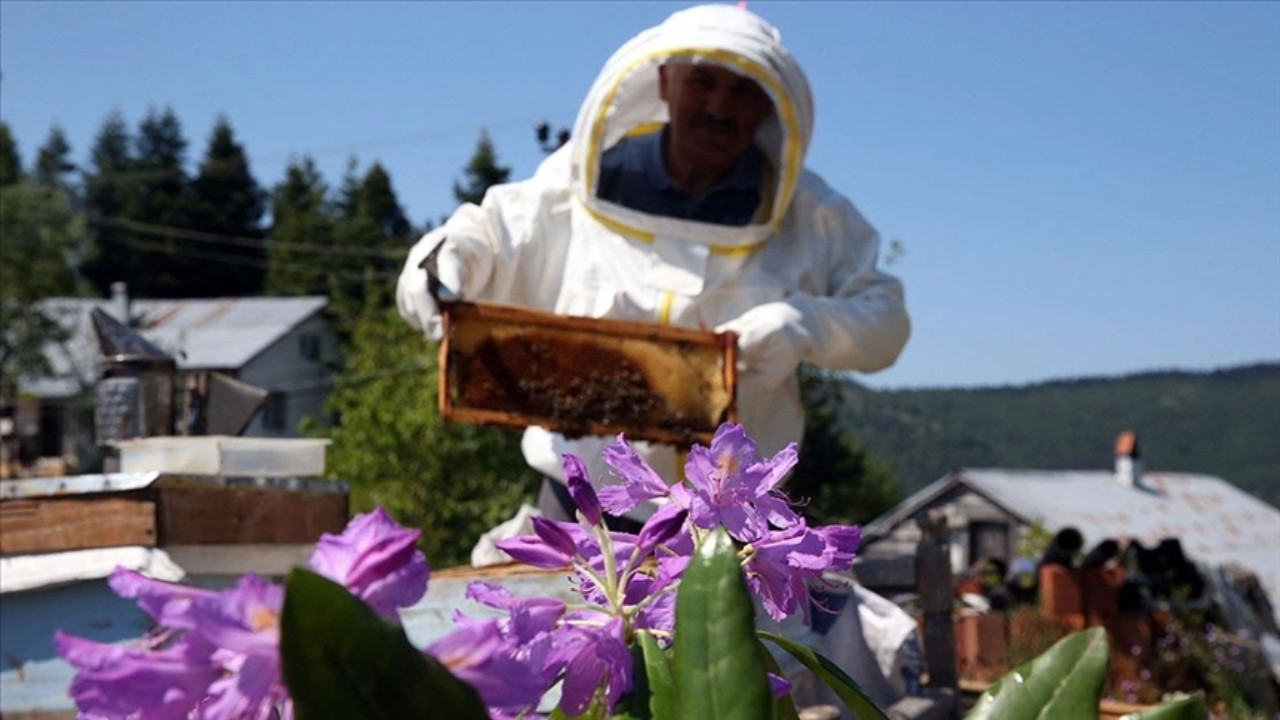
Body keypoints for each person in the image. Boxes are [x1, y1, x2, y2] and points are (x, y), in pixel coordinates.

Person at [397, 3, 910, 525]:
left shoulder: (811, 213)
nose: (719, 107)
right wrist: (441, 269)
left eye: (743, 92)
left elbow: (887, 320)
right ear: (664, 82)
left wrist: (804, 325)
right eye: (702, 82)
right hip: (582, 510)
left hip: (731, 521)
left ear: (770, 108)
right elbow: (484, 236)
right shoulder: (575, 183)